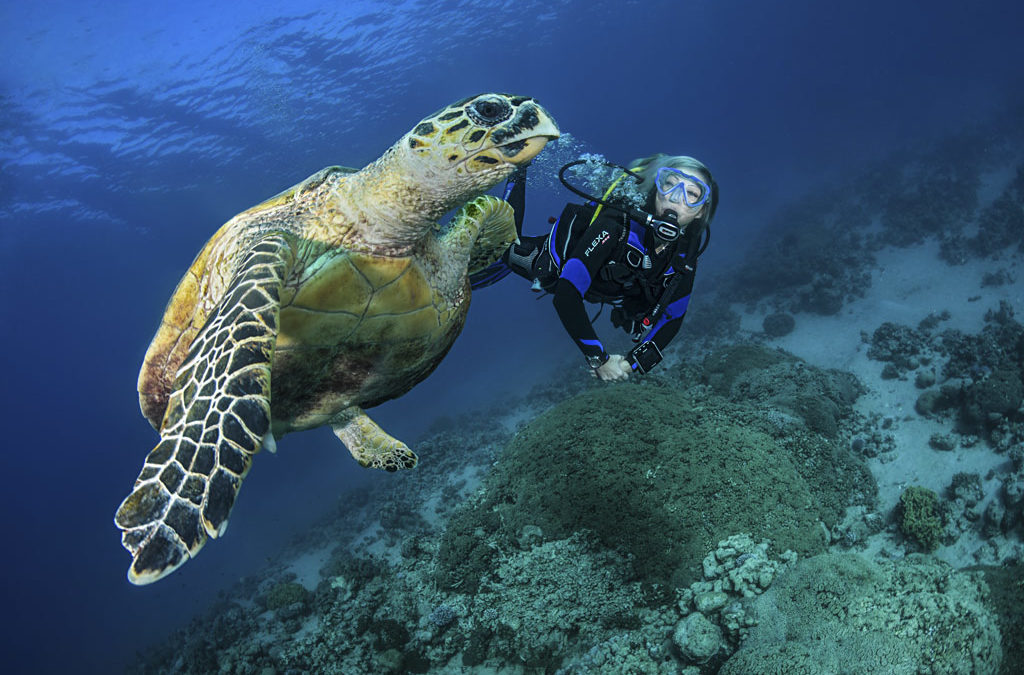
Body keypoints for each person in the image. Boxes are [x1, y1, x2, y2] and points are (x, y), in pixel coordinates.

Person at [492, 153, 718, 381]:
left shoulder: (687, 248)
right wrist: (599, 359)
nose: (676, 199)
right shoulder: (617, 223)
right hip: (562, 268)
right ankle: (517, 170)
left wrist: (631, 364)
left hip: (614, 287)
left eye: (692, 194)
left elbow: (674, 317)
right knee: (501, 247)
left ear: (700, 211)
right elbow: (566, 295)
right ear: (657, 189)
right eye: (669, 185)